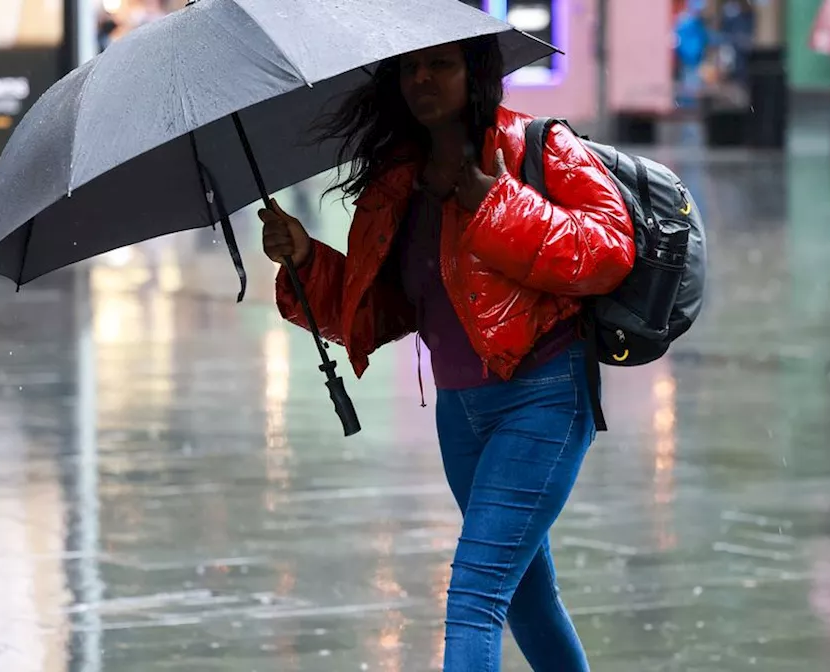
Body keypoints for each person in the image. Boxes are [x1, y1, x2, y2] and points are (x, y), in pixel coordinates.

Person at [258, 35, 634, 672]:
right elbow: (383, 313)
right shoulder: (395, 183)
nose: (423, 79)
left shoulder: (536, 146)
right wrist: (305, 261)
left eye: (441, 64)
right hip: (459, 415)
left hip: (542, 396)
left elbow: (607, 251)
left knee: (475, 594)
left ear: (475, 70)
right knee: (527, 599)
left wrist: (493, 202)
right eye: (410, 68)